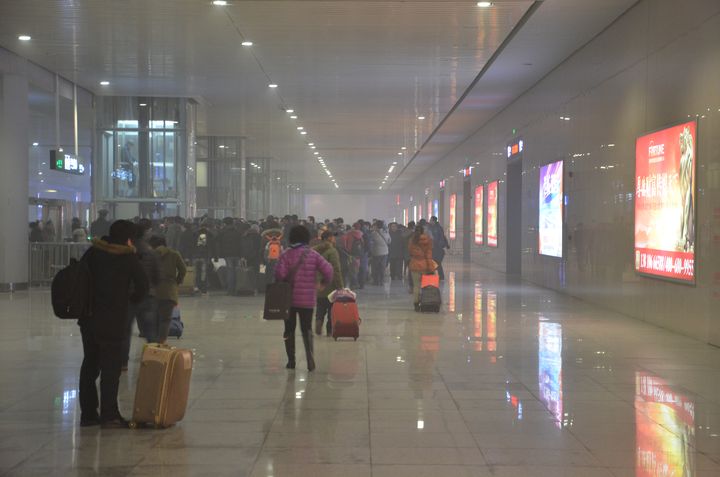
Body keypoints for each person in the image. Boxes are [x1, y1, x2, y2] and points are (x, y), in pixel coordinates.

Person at [78, 220, 149, 428]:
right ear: (128, 238)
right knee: (110, 368)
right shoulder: (127, 258)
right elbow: (143, 286)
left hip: (89, 318)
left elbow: (79, 278)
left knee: (90, 365)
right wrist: (131, 301)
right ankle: (109, 415)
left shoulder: (92, 253)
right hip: (113, 320)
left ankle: (89, 414)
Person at [275, 225, 333, 371]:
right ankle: (309, 354)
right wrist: (323, 284)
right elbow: (329, 270)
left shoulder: (285, 254)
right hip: (307, 300)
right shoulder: (313, 254)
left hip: (288, 299)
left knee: (289, 330)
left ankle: (291, 360)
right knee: (306, 328)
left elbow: (279, 275)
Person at [123, 219, 160, 369]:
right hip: (147, 295)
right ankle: (154, 359)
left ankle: (123, 361)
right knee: (150, 329)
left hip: (129, 295)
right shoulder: (150, 251)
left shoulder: (125, 251)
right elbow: (157, 274)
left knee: (125, 330)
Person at [148, 235, 186, 343]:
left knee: (153, 320)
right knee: (165, 320)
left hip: (152, 291)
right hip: (169, 291)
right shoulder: (174, 254)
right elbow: (183, 270)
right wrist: (176, 282)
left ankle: (152, 345)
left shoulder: (149, 255)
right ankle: (161, 344)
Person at [313, 230, 344, 336]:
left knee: (320, 305)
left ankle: (318, 321)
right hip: (330, 284)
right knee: (332, 307)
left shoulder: (314, 251)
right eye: (333, 237)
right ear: (329, 239)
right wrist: (340, 286)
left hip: (318, 284)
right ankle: (329, 329)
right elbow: (336, 269)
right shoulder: (332, 251)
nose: (334, 239)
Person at [408, 225, 435, 311]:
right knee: (425, 286)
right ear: (423, 231)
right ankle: (425, 303)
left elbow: (410, 252)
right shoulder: (428, 240)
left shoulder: (412, 240)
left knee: (416, 286)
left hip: (414, 265)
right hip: (424, 266)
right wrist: (431, 268)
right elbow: (429, 256)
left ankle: (416, 304)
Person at [217, 218, 243, 294]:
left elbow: (219, 243)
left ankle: (230, 290)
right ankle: (237, 288)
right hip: (237, 254)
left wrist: (220, 254)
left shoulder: (222, 232)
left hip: (227, 254)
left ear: (225, 224)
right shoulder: (237, 232)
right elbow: (241, 244)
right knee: (237, 271)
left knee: (230, 272)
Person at [369, 220, 391, 285]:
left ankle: (376, 281)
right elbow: (389, 241)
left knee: (375, 267)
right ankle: (381, 281)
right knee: (382, 267)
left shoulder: (373, 233)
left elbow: (370, 242)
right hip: (385, 252)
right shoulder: (386, 232)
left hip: (376, 252)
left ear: (376, 226)